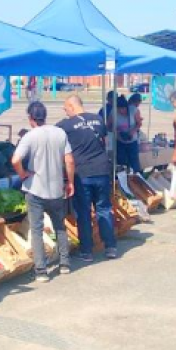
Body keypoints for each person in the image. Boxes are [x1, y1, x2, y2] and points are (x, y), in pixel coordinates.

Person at [11, 102, 74, 282]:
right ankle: (64, 264)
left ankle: (41, 271)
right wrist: (70, 182)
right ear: (45, 116)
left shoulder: (30, 136)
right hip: (56, 189)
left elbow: (15, 160)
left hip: (35, 189)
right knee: (60, 226)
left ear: (31, 118)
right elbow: (69, 161)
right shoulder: (60, 133)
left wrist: (23, 174)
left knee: (37, 230)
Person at [57, 96, 117, 262]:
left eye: (65, 108)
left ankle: (86, 251)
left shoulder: (66, 125)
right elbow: (104, 142)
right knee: (104, 208)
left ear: (72, 106)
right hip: (102, 170)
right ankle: (110, 247)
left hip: (82, 173)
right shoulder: (98, 120)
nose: (65, 111)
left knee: (83, 212)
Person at [109, 95, 142, 174]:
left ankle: (136, 177)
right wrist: (116, 131)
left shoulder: (133, 110)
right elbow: (108, 126)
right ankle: (123, 178)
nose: (121, 111)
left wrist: (132, 131)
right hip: (120, 142)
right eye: (119, 109)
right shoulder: (113, 112)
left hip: (132, 141)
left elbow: (139, 124)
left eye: (123, 109)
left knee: (134, 162)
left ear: (126, 107)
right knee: (121, 162)